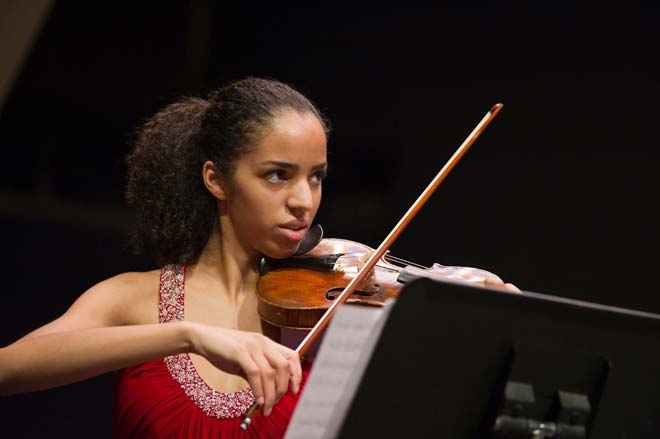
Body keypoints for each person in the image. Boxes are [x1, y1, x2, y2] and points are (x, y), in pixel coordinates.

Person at [0, 77, 519, 438]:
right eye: (278, 175)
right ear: (216, 179)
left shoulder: (338, 304)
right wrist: (187, 334)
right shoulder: (131, 299)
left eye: (316, 176)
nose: (304, 200)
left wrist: (488, 312)